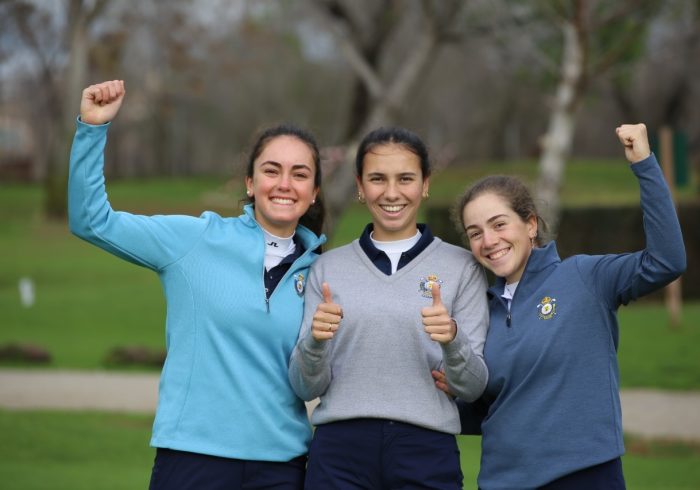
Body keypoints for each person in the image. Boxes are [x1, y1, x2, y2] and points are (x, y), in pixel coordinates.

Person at [68, 80, 327, 490]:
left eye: (299, 174)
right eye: (271, 170)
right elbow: (91, 220)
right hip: (193, 458)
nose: (284, 184)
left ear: (313, 193)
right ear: (249, 182)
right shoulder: (194, 240)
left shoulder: (322, 273)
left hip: (282, 466)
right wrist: (92, 129)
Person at [446, 123, 686, 489]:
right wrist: (448, 395)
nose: (489, 240)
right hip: (502, 482)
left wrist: (644, 163)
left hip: (585, 477)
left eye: (498, 224)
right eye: (475, 233)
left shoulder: (585, 277)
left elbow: (667, 261)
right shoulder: (479, 312)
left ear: (530, 224)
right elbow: (493, 410)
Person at [288, 126, 490, 489]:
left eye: (406, 178)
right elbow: (305, 386)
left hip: (426, 452)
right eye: (378, 178)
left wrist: (453, 339)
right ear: (360, 187)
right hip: (339, 455)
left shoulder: (462, 267)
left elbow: (472, 387)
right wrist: (315, 342)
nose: (392, 192)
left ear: (425, 184)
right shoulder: (327, 268)